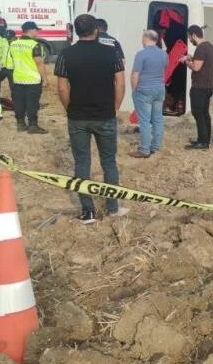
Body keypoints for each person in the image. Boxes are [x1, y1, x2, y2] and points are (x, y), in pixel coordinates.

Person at [55, 14, 128, 224]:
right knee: (109, 162)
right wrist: (115, 108)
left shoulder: (66, 54)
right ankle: (113, 208)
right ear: (96, 30)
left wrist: (70, 108)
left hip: (78, 117)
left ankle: (88, 212)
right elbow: (120, 84)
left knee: (82, 162)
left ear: (76, 31)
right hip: (105, 115)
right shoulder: (111, 52)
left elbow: (61, 86)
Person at [130, 30, 169, 158]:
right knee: (157, 119)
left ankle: (144, 150)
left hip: (145, 90)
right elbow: (164, 69)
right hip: (159, 89)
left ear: (146, 38)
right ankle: (155, 146)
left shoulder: (141, 54)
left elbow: (135, 74)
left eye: (142, 37)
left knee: (145, 121)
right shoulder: (164, 54)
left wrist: (134, 90)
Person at [9, 21, 48, 134]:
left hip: (17, 78)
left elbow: (13, 58)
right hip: (32, 79)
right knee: (32, 103)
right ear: (30, 30)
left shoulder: (13, 43)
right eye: (36, 30)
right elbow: (39, 63)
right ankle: (33, 126)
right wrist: (45, 79)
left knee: (19, 102)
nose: (37, 32)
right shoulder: (35, 45)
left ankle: (20, 124)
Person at [183, 25, 213, 149]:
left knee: (198, 113)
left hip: (199, 87)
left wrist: (186, 62)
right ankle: (205, 140)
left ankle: (202, 142)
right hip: (208, 86)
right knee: (205, 113)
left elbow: (196, 67)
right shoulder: (210, 47)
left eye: (189, 37)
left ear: (194, 35)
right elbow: (202, 62)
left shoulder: (201, 48)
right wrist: (191, 58)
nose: (190, 40)